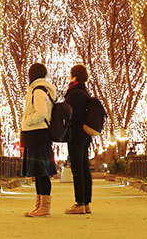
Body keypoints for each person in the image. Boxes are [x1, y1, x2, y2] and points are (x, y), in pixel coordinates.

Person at [20, 62, 57, 217]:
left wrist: (27, 121)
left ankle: (44, 207)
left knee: (42, 172)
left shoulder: (38, 91)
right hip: (37, 134)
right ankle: (40, 205)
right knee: (39, 173)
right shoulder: (39, 90)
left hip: (38, 133)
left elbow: (41, 112)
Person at [64, 63, 92, 215]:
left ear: (74, 75)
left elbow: (72, 115)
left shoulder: (74, 93)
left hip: (75, 133)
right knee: (84, 168)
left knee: (77, 169)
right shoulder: (84, 92)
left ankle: (80, 203)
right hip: (85, 134)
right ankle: (86, 203)